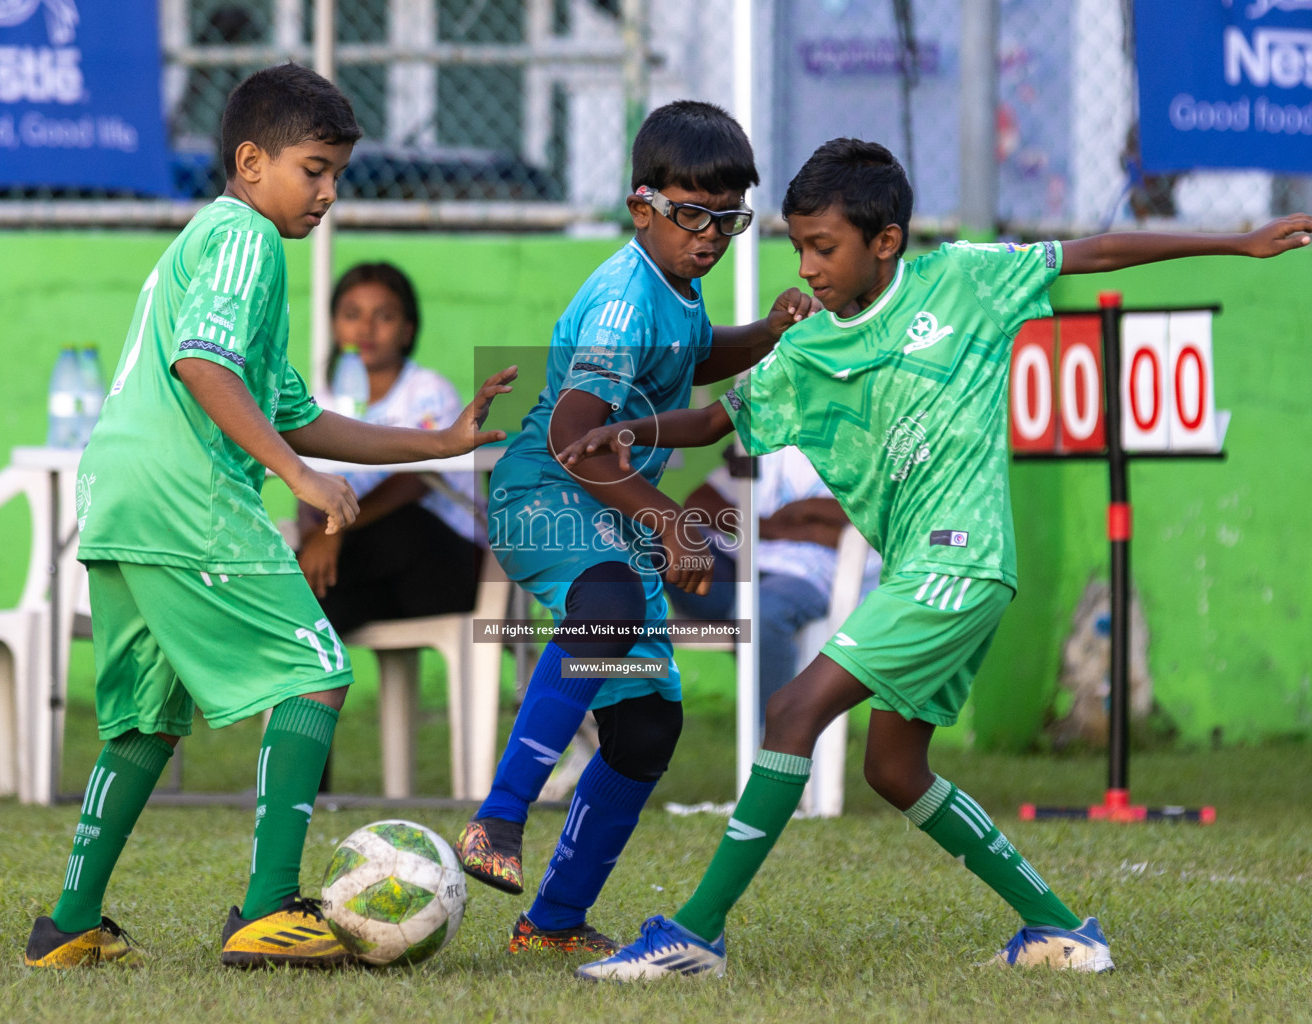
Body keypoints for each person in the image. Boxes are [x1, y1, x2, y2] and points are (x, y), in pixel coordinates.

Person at [558, 138, 1312, 980]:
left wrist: (1236, 240)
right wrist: (631, 428)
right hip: (924, 573)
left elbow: (1094, 251)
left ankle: (694, 936)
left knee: (791, 713)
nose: (808, 268)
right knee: (893, 768)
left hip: (961, 563)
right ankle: (1059, 929)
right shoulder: (808, 353)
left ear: (884, 241)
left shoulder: (965, 278)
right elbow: (714, 422)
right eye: (799, 247)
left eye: (826, 247)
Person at [22, 63, 515, 970]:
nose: (328, 193)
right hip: (185, 498)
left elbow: (294, 411)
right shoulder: (247, 237)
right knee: (319, 669)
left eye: (336, 176)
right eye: (314, 169)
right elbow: (204, 370)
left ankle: (69, 923)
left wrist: (440, 441)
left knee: (144, 723)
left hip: (118, 501)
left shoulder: (213, 241)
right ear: (251, 162)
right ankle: (266, 909)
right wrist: (294, 478)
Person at [454, 99, 821, 957]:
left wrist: (766, 333)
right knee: (610, 606)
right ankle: (498, 821)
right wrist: (670, 520)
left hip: (611, 515)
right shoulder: (624, 300)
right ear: (642, 206)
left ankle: (551, 923)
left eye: (728, 219)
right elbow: (572, 437)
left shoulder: (675, 289)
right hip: (548, 494)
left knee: (648, 724)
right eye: (692, 214)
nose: (711, 236)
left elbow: (692, 356)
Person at [296, 262, 481, 636]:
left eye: (385, 316)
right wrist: (312, 534)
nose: (366, 329)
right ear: (334, 325)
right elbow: (305, 482)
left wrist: (334, 533)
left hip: (446, 566)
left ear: (407, 330)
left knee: (399, 525)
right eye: (352, 315)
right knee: (316, 609)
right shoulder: (321, 400)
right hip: (372, 573)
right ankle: (281, 683)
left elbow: (415, 481)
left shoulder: (430, 392)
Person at [665, 445, 882, 715]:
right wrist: (770, 527)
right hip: (739, 570)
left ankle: (771, 736)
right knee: (657, 533)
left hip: (808, 577)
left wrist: (809, 509)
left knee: (761, 611)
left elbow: (879, 513)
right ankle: (612, 701)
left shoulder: (865, 445)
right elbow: (700, 503)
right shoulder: (770, 441)